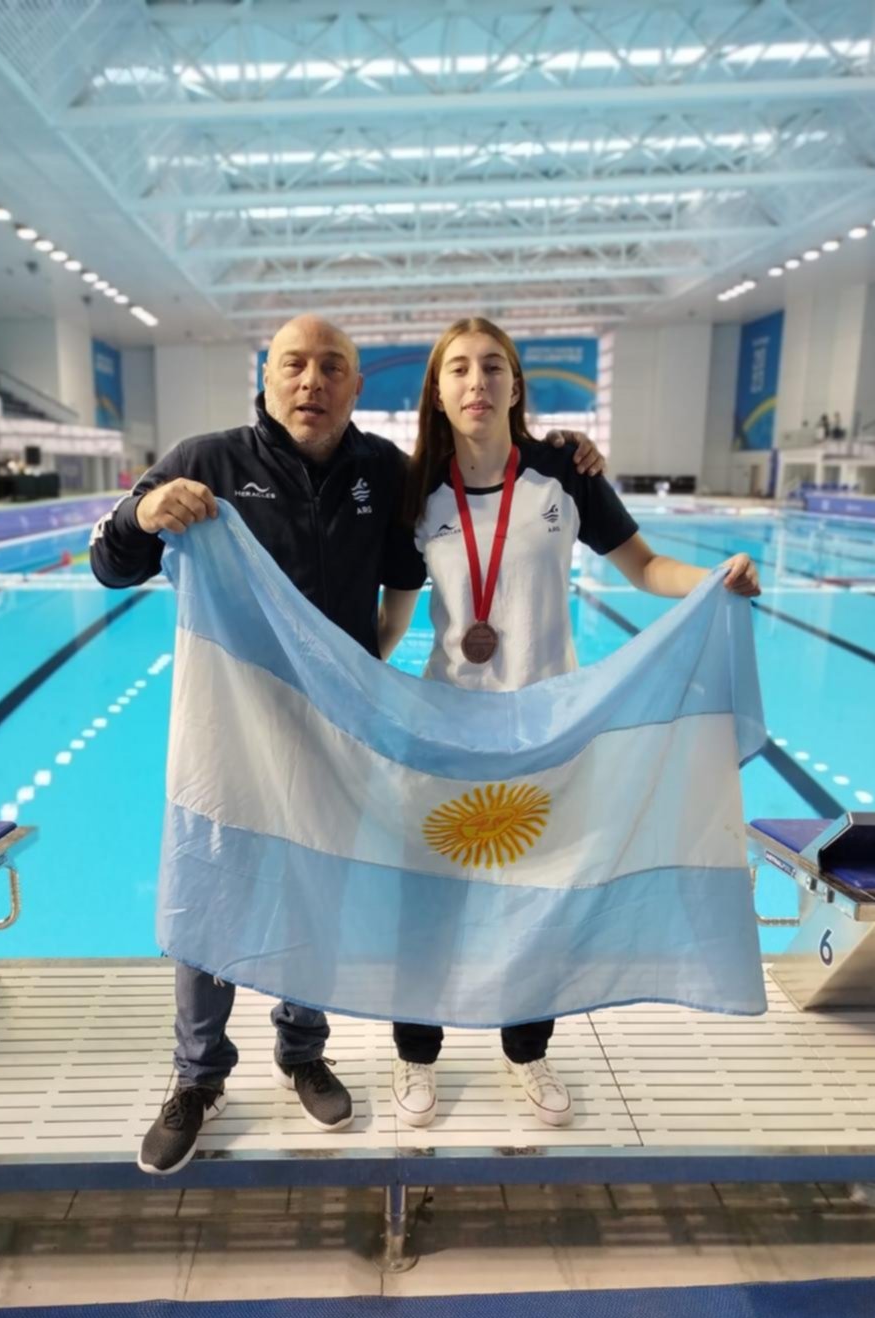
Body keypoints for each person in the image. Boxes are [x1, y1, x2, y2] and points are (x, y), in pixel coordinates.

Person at [89, 314, 608, 1175]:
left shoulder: (384, 473)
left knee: (319, 881)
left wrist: (566, 451)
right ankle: (196, 1077)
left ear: (358, 387)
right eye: (295, 364)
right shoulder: (207, 460)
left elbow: (416, 570)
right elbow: (109, 563)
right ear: (267, 375)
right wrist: (144, 510)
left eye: (333, 367)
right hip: (228, 724)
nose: (312, 381)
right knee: (213, 888)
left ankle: (301, 1050)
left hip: (332, 731)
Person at [376, 318, 760, 1131]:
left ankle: (528, 1051)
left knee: (539, 895)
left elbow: (648, 565)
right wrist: (318, 668)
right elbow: (391, 623)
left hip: (551, 728)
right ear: (437, 393)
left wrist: (715, 578)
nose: (476, 381)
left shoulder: (563, 473)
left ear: (515, 384)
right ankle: (416, 1052)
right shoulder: (419, 490)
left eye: (492, 367)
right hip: (448, 726)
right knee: (431, 898)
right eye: (458, 370)